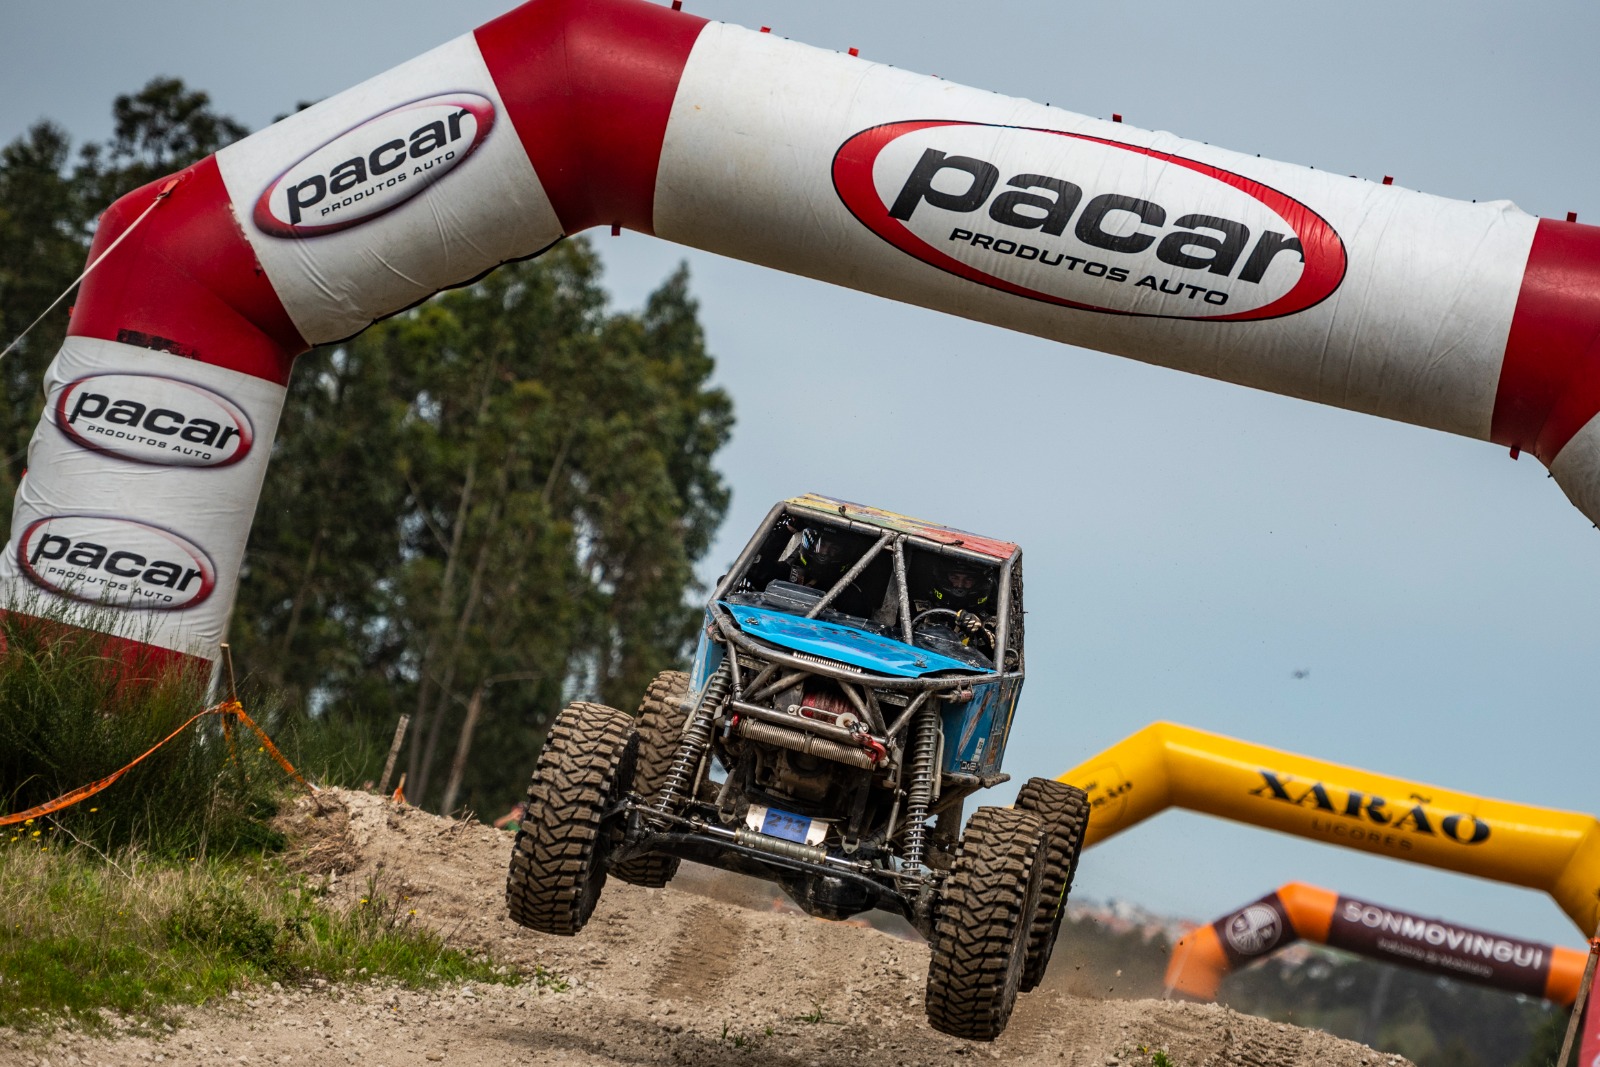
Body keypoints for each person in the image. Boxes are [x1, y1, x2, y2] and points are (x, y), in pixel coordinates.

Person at [914, 556, 997, 653]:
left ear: (978, 583)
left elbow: (997, 655)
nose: (960, 585)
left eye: (969, 579)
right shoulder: (920, 609)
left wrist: (979, 631)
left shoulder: (989, 622)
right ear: (945, 578)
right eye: (954, 578)